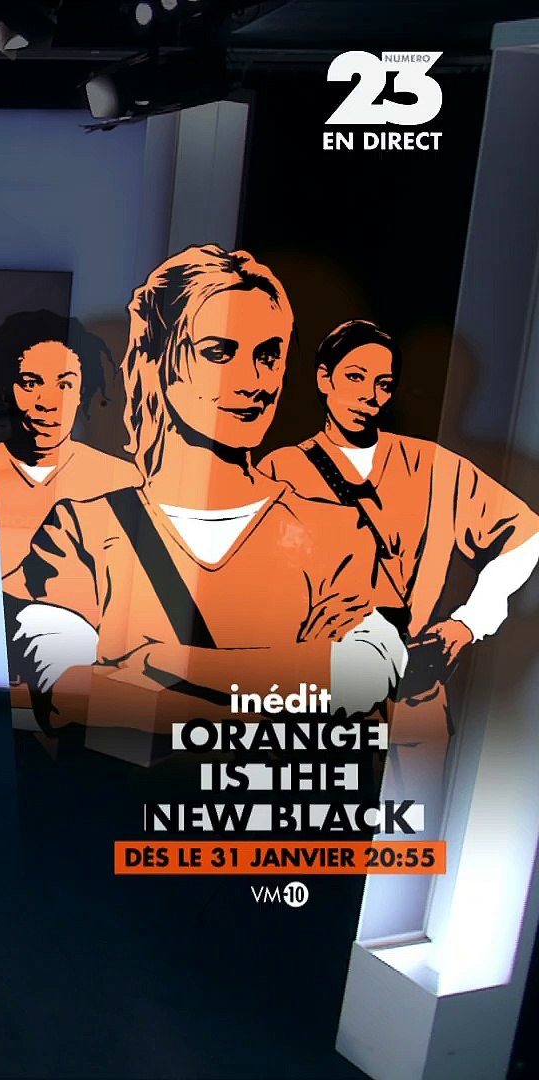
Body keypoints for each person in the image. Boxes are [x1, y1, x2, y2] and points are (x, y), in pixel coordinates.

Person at [7, 245, 405, 739]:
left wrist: (164, 662)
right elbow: (69, 697)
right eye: (219, 352)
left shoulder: (335, 532)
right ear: (158, 361)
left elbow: (363, 680)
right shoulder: (80, 530)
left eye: (268, 355)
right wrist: (286, 690)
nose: (253, 382)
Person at [261, 320, 539, 937]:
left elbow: (525, 534)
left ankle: (379, 941)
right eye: (355, 377)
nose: (369, 394)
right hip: (320, 685)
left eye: (383, 383)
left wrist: (468, 623)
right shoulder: (281, 470)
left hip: (416, 684)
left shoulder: (434, 467)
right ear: (324, 379)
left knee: (406, 836)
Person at [0, 311, 141, 717]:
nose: (47, 402)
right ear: (5, 388)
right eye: (30, 383)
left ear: (83, 391)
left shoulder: (125, 481)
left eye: (65, 384)